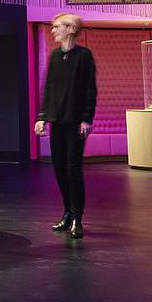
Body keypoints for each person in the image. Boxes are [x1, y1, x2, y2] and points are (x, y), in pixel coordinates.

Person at [34, 13, 97, 239]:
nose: (53, 30)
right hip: (57, 122)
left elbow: (90, 90)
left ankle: (77, 218)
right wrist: (42, 117)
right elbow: (49, 89)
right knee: (59, 169)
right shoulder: (53, 56)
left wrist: (86, 119)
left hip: (76, 123)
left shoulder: (84, 56)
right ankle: (68, 213)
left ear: (71, 29)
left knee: (73, 169)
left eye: (57, 26)